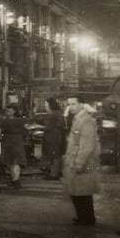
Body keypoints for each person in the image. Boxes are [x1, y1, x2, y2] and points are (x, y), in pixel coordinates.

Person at [63, 96, 101, 226]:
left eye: (73, 104)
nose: (71, 107)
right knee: (77, 191)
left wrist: (80, 162)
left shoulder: (86, 121)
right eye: (69, 104)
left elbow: (87, 144)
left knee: (83, 192)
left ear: (82, 104)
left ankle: (87, 220)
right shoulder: (78, 119)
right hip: (75, 160)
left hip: (82, 162)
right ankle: (82, 218)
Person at [0, 104, 28, 188]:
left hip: (9, 142)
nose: (8, 112)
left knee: (13, 162)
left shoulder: (5, 121)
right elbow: (26, 131)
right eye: (7, 111)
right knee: (15, 162)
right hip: (17, 141)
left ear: (14, 111)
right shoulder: (20, 120)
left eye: (9, 111)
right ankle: (15, 180)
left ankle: (15, 180)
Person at [40, 97, 65, 180]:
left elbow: (49, 127)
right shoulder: (57, 113)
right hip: (54, 136)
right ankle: (54, 172)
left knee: (55, 156)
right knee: (54, 155)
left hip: (54, 137)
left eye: (46, 105)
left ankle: (54, 174)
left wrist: (37, 127)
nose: (45, 107)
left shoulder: (55, 114)